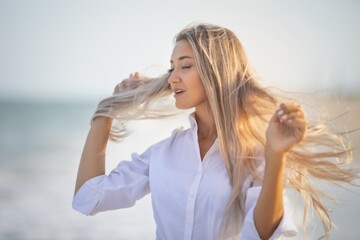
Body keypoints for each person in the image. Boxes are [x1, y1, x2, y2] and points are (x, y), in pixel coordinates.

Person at [72, 23, 358, 239]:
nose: (172, 77)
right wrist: (108, 110)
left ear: (215, 72)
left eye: (185, 66)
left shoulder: (257, 152)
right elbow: (88, 198)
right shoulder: (162, 154)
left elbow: (261, 235)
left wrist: (276, 156)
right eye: (171, 67)